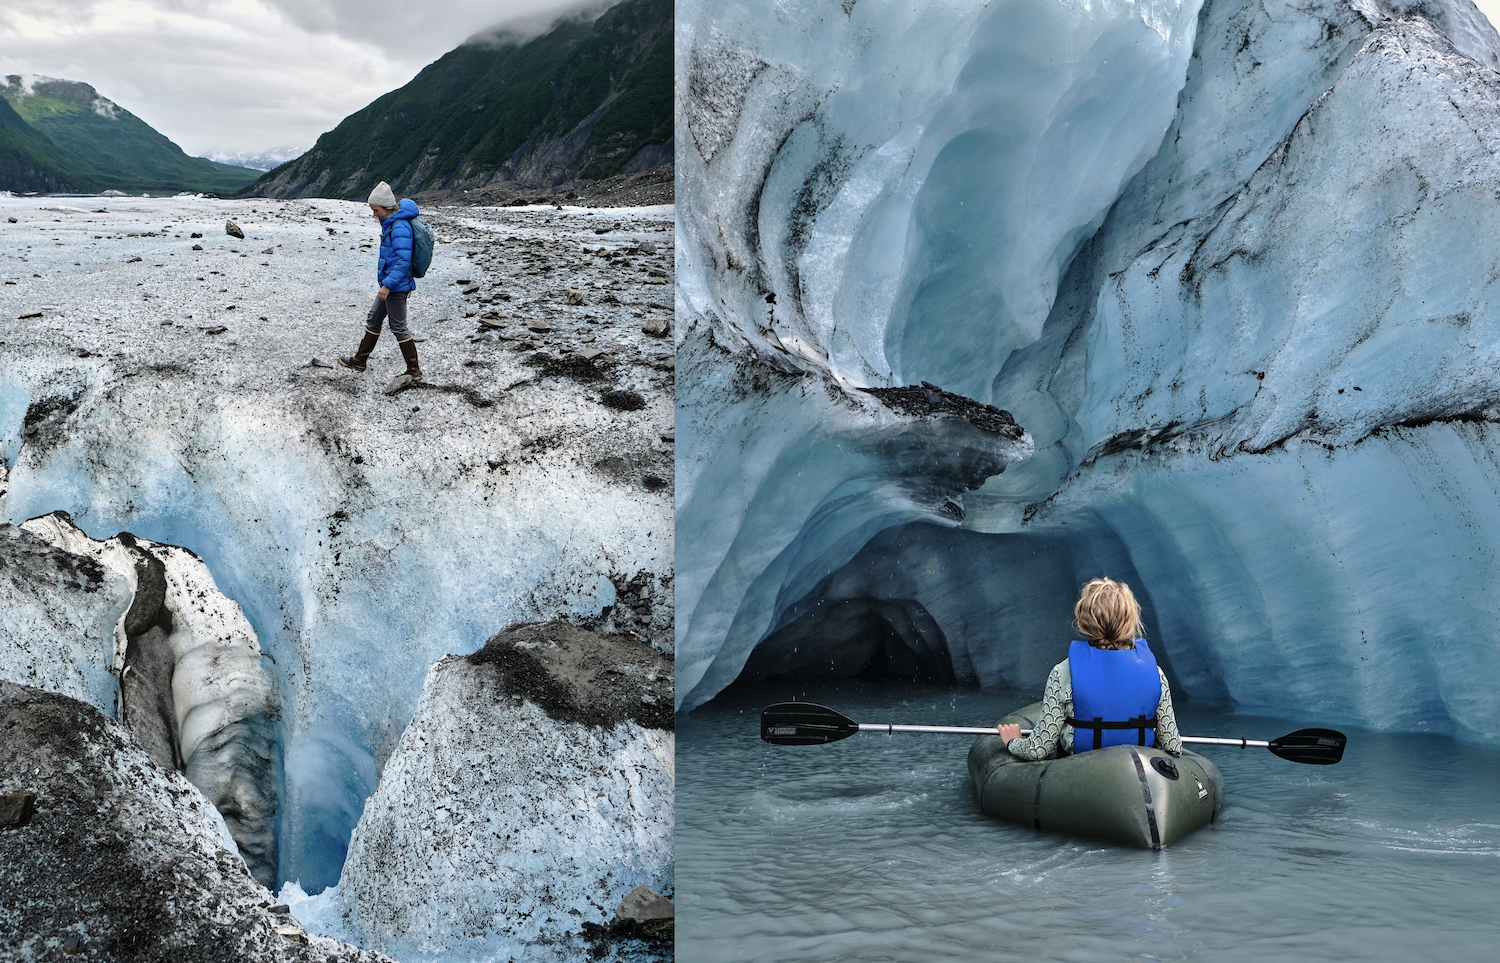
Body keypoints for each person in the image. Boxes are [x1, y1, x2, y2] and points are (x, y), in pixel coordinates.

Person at [997, 577, 1182, 759]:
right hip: (1138, 772)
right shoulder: (1156, 675)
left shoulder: (1063, 673)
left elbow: (1038, 750)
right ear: (1130, 619)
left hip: (1079, 772)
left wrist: (1013, 741)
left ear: (1084, 622)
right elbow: (1172, 745)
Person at [339, 181, 422, 383]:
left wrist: (387, 285)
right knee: (374, 319)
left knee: (398, 326)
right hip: (390, 284)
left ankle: (414, 371)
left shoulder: (399, 227)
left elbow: (403, 261)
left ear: (387, 207)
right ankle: (360, 360)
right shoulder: (392, 224)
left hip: (395, 287)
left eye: (376, 210)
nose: (374, 214)